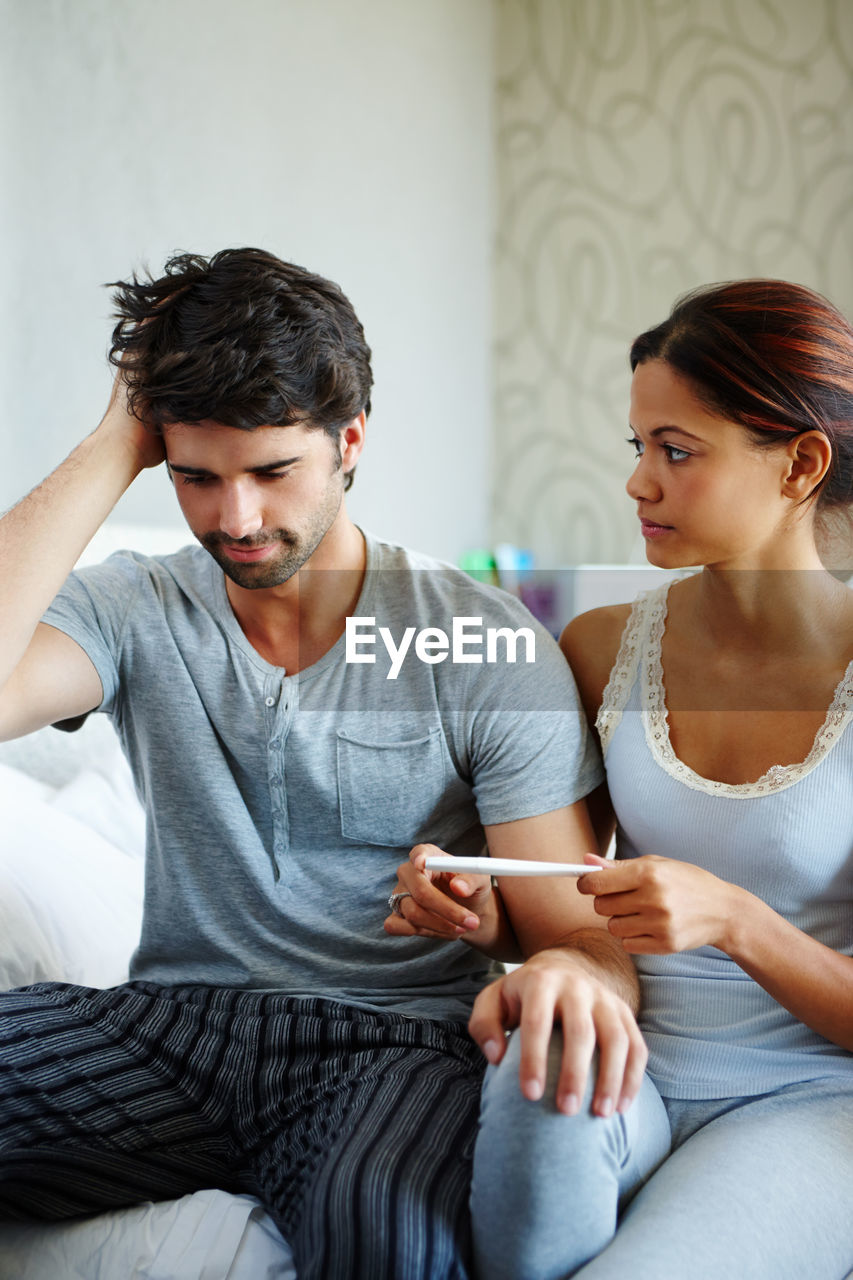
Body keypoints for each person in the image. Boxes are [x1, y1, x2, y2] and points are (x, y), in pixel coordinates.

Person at [0, 248, 647, 1280]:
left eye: (270, 472)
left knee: (389, 1243)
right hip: (171, 1026)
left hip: (389, 1046)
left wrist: (556, 963)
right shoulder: (135, 607)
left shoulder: (485, 645)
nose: (236, 519)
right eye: (195, 477)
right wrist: (113, 440)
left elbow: (578, 934)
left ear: (349, 443)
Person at [460, 278, 853, 1279]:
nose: (639, 482)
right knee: (532, 1073)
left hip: (810, 1102)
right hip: (629, 1056)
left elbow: (712, 914)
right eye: (636, 448)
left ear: (801, 463)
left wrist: (735, 918)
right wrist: (484, 910)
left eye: (676, 451)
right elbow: (563, 900)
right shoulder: (598, 649)